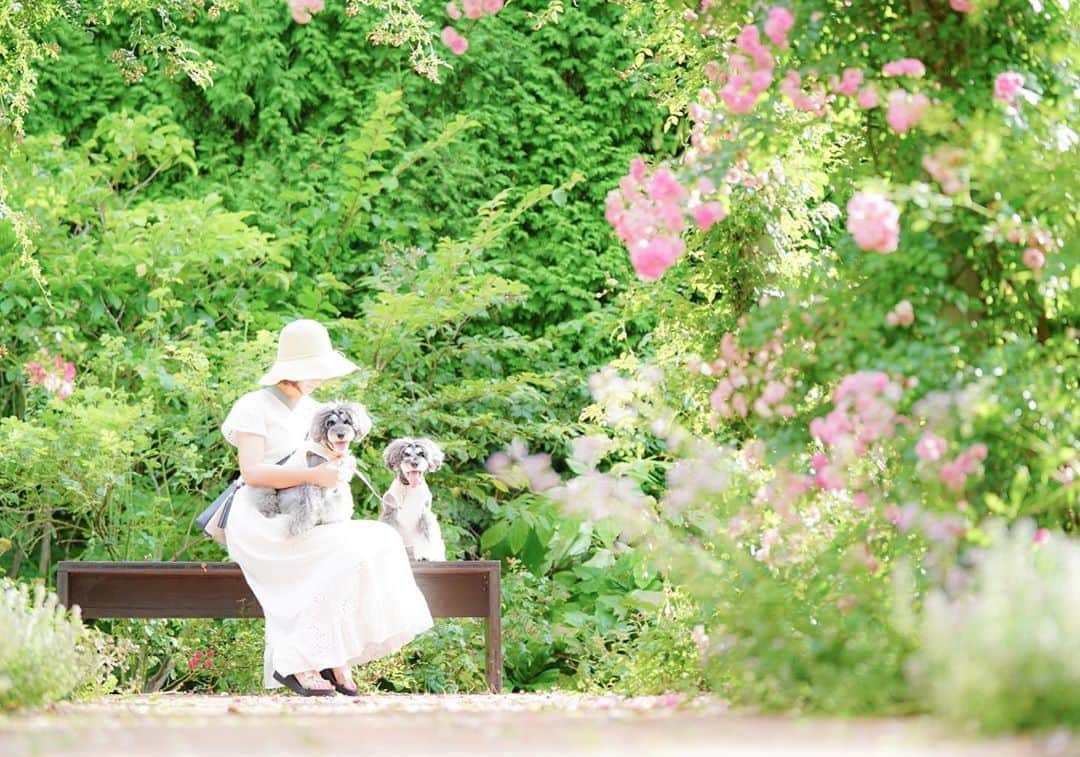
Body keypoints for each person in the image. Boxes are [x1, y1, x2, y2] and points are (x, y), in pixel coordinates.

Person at [220, 318, 434, 696]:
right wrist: (313, 478)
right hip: (262, 518)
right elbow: (252, 472)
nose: (319, 378)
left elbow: (326, 463)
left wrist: (335, 473)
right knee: (342, 554)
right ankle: (298, 661)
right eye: (313, 369)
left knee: (380, 540)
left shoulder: (316, 410)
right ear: (292, 368)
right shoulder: (254, 406)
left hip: (312, 511)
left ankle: (335, 655)